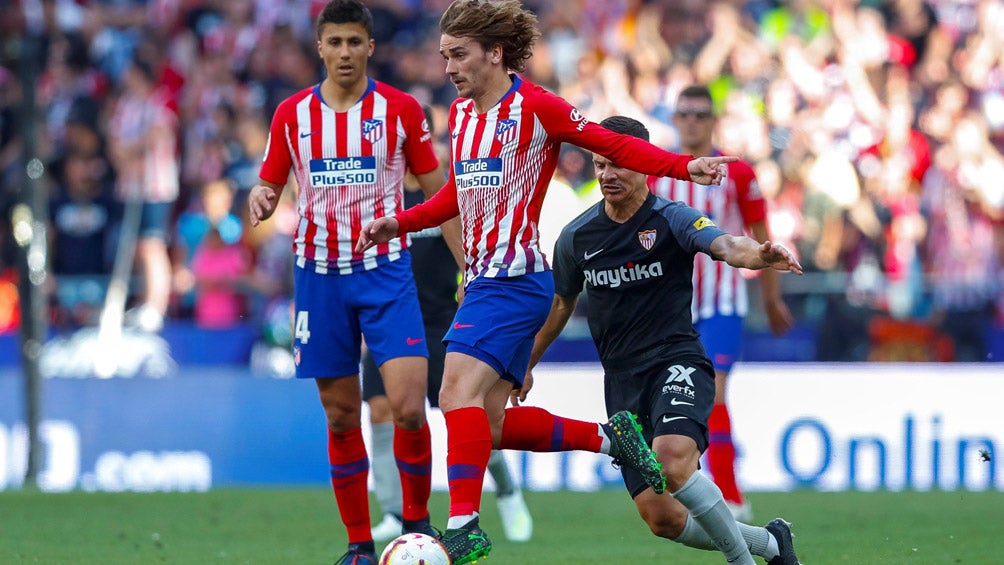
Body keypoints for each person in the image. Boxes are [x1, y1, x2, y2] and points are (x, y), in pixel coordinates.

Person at [356, 2, 738, 562]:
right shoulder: (462, 116)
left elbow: (615, 145)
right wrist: (402, 221)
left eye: (459, 55)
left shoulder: (535, 107)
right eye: (444, 56)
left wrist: (683, 167)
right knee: (485, 427)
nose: (450, 68)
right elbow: (456, 195)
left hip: (516, 280)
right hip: (487, 281)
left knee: (452, 390)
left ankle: (463, 526)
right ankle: (612, 439)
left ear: (495, 52)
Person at [526, 115, 804, 565]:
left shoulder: (672, 218)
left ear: (645, 164)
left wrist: (760, 253)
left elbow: (725, 244)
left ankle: (742, 561)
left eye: (618, 165)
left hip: (677, 362)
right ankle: (771, 544)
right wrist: (527, 363)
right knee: (663, 519)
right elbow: (560, 307)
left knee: (673, 460)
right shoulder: (577, 237)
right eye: (599, 165)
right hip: (621, 382)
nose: (607, 175)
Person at [247, 2, 459, 564]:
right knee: (342, 414)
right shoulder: (292, 115)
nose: (344, 52)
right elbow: (268, 183)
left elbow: (441, 197)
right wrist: (262, 196)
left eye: (354, 42)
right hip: (318, 278)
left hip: (387, 273)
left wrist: (470, 268)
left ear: (370, 47)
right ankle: (360, 546)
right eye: (334, 42)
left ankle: (418, 528)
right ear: (320, 47)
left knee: (410, 407)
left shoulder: (400, 110)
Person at [362, 110, 533, 544]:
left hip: (443, 321)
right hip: (392, 319)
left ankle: (507, 490)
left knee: (464, 412)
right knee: (382, 411)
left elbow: (471, 253)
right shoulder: (386, 199)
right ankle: (391, 511)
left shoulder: (450, 198)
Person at [649, 84, 795, 521]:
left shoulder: (740, 174)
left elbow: (761, 235)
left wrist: (771, 298)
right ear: (675, 120)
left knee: (712, 395)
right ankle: (692, 491)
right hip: (673, 307)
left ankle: (730, 496)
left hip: (723, 302)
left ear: (712, 120)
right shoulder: (658, 172)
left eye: (700, 113)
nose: (692, 121)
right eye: (685, 113)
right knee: (674, 399)